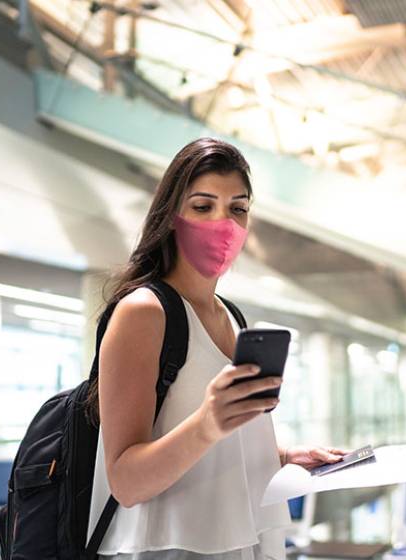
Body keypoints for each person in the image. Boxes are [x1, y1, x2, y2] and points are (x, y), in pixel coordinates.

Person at [85, 138, 346, 559]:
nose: (223, 223)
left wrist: (282, 456)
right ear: (171, 217)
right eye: (203, 206)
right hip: (169, 548)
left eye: (237, 208)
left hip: (239, 541)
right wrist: (207, 423)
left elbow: (218, 447)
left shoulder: (232, 317)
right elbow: (126, 482)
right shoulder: (143, 312)